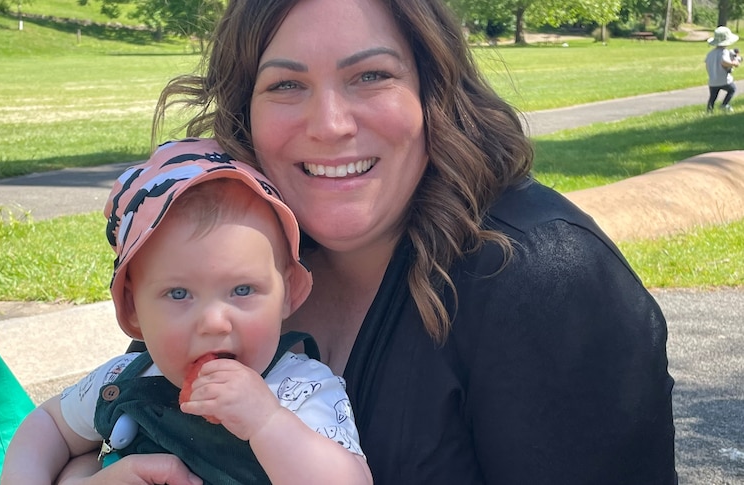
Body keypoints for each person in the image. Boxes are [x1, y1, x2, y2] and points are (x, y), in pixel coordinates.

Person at [56, 0, 679, 483]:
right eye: (286, 85)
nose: (330, 125)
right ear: (245, 109)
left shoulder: (543, 281)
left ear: (434, 93)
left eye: (371, 75)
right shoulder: (243, 250)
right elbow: (88, 430)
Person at [0, 138, 371, 485]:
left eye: (242, 290)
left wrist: (266, 423)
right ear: (133, 309)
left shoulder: (299, 392)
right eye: (179, 293)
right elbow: (47, 425)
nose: (213, 322)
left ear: (287, 292)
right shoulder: (123, 378)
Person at [705, 25, 740, 113]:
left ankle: (709, 110)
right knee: (732, 89)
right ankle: (724, 104)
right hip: (724, 80)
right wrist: (734, 63)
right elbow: (724, 62)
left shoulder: (710, 54)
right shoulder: (724, 52)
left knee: (713, 97)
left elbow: (707, 64)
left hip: (712, 80)